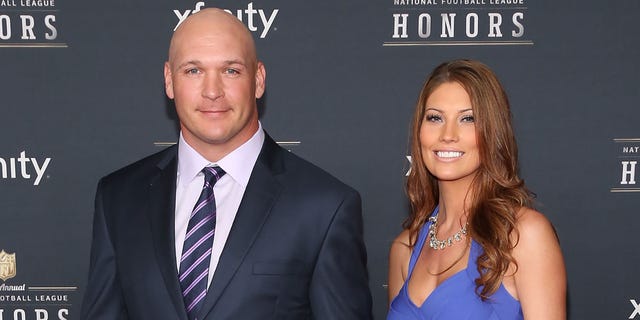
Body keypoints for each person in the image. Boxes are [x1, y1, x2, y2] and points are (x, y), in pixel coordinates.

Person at [80, 8, 372, 320]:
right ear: (169, 80)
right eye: (193, 71)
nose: (212, 91)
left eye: (230, 71)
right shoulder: (119, 197)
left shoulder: (325, 207)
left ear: (258, 80)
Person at [387, 60, 566, 319]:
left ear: (493, 132)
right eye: (435, 118)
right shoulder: (404, 249)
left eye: (468, 119)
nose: (448, 134)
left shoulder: (522, 236)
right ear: (419, 131)